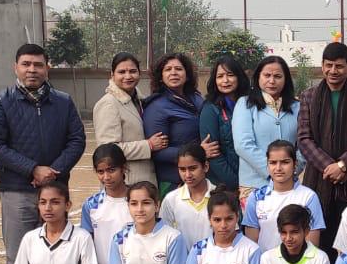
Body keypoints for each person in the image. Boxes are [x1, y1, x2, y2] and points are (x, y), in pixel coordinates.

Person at [0, 43, 86, 264]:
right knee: (19, 257)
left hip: (55, 188)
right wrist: (32, 170)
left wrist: (53, 172)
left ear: (47, 68)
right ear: (15, 67)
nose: (32, 70)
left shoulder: (63, 102)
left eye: (38, 64)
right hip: (17, 191)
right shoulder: (1, 101)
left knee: (58, 255)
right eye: (26, 64)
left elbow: (77, 140)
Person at [297, 42, 347, 263]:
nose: (333, 71)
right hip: (318, 180)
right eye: (329, 65)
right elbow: (304, 139)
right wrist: (330, 167)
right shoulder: (308, 96)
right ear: (322, 66)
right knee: (317, 240)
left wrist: (342, 165)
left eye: (339, 66)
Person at [233, 56, 302, 203]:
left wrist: (293, 170)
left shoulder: (297, 107)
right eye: (267, 75)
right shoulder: (245, 104)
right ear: (258, 77)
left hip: (290, 185)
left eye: (277, 76)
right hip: (254, 185)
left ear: (286, 79)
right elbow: (243, 144)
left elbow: (304, 143)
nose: (272, 81)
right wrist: (273, 170)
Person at [93, 52, 166, 187]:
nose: (128, 76)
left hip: (146, 180)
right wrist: (148, 145)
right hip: (125, 183)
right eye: (122, 72)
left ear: (139, 73)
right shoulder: (108, 104)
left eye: (132, 71)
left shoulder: (140, 100)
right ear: (112, 75)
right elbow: (108, 150)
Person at [243, 140, 325, 252]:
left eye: (285, 162)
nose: (278, 168)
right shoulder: (256, 197)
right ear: (267, 165)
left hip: (300, 262)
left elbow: (312, 246)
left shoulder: (309, 197)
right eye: (273, 163)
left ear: (295, 164)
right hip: (265, 262)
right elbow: (251, 245)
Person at [143, 52, 205, 197]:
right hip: (173, 181)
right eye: (168, 69)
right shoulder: (156, 106)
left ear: (187, 74)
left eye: (178, 69)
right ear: (161, 76)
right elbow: (158, 152)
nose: (173, 73)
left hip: (200, 178)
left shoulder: (197, 98)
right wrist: (198, 152)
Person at [200, 56, 248, 190]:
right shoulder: (210, 109)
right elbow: (213, 154)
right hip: (225, 185)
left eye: (230, 75)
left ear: (239, 77)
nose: (225, 80)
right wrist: (234, 183)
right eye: (220, 76)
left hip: (251, 178)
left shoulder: (250, 104)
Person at [158, 142, 216, 248]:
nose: (188, 175)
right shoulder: (171, 200)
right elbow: (164, 237)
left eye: (193, 168)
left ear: (206, 166)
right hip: (182, 258)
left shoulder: (219, 196)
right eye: (182, 169)